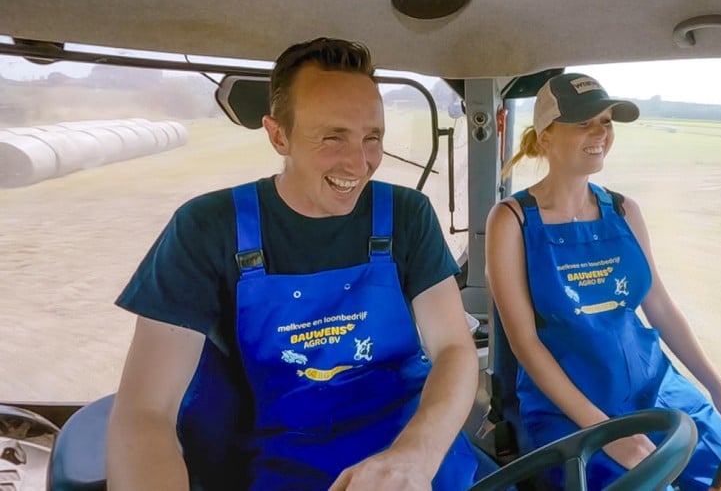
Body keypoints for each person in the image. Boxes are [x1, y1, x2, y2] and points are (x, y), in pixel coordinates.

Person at [106, 37, 480, 490]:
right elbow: (147, 411)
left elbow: (455, 350)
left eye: (372, 138)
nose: (359, 164)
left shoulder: (406, 214)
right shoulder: (208, 228)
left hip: (421, 456)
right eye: (332, 137)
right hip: (286, 466)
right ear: (278, 134)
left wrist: (415, 457)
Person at [484, 73, 721, 490]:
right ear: (545, 137)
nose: (600, 132)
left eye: (605, 121)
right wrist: (604, 432)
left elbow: (662, 310)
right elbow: (524, 343)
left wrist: (718, 391)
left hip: (658, 390)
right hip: (570, 409)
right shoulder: (512, 220)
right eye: (584, 123)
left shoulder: (623, 210)